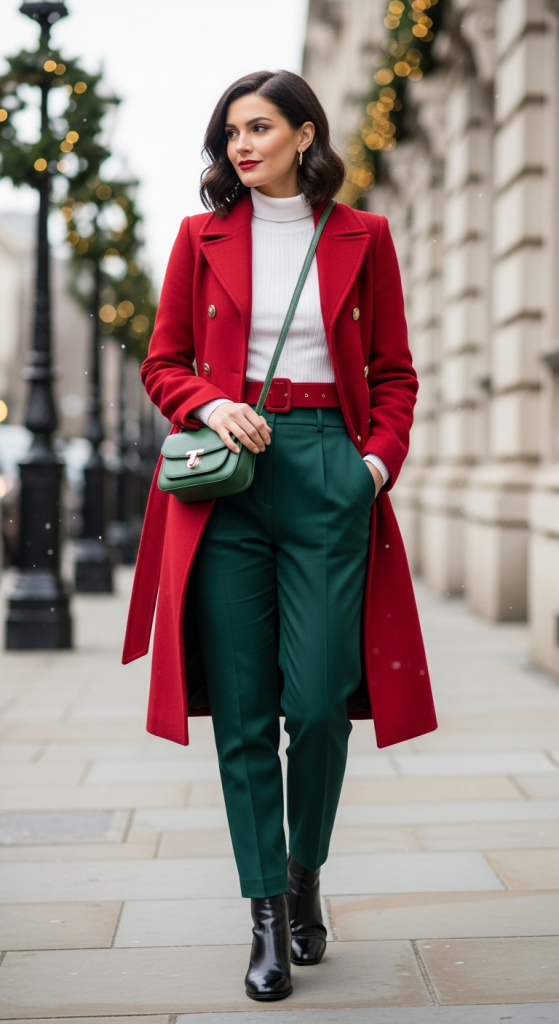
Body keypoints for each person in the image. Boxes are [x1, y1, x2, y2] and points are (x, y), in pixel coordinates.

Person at [123, 69, 437, 1002]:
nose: (240, 147)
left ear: (306, 133)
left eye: (259, 128)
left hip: (324, 472)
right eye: (229, 134)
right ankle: (264, 912)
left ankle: (307, 876)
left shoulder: (362, 238)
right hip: (227, 484)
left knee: (317, 703)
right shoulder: (199, 237)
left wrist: (371, 466)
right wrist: (210, 403)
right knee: (247, 714)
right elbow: (161, 363)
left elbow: (394, 374)